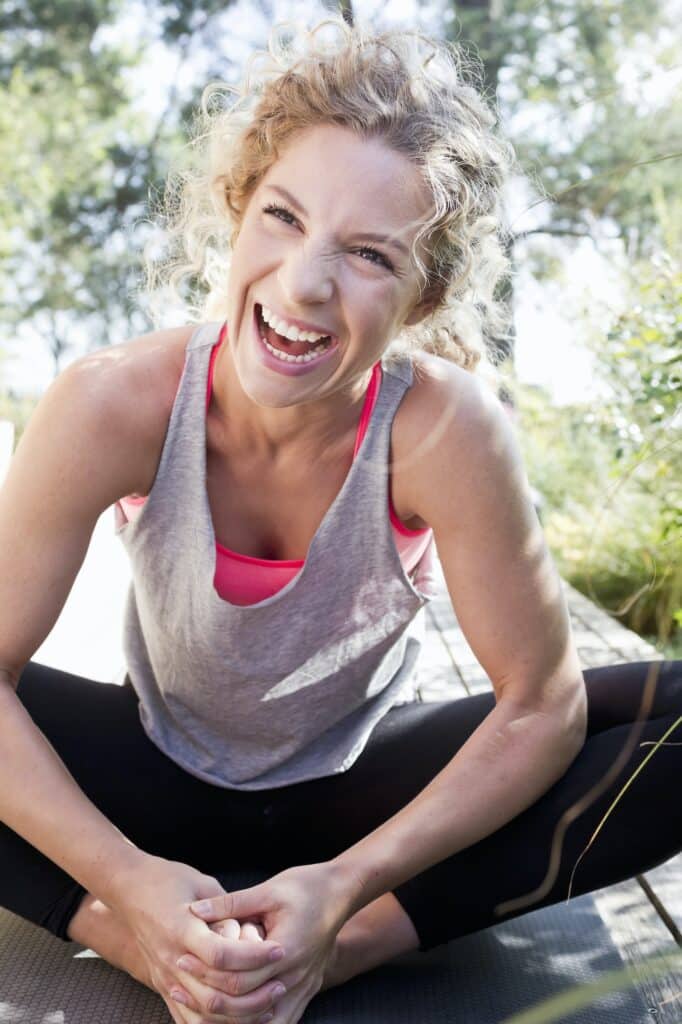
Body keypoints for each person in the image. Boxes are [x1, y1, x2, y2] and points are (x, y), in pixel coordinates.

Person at [0, 17, 679, 1024]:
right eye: (282, 216)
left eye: (368, 253)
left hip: (359, 794)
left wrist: (348, 886)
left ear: (423, 294)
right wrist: (131, 889)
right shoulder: (111, 402)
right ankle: (150, 952)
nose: (306, 282)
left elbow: (540, 704)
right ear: (235, 213)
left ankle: (333, 955)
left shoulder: (449, 430)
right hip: (144, 780)